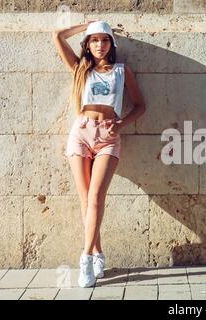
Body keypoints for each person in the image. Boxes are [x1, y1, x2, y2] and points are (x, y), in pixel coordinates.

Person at [53, 20, 146, 287]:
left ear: (112, 44)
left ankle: (85, 259)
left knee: (96, 197)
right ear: (87, 44)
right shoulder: (81, 68)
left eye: (104, 40)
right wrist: (87, 25)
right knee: (86, 201)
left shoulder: (121, 70)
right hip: (81, 133)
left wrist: (122, 123)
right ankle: (97, 253)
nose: (99, 45)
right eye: (94, 40)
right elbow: (58, 35)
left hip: (108, 137)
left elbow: (140, 105)